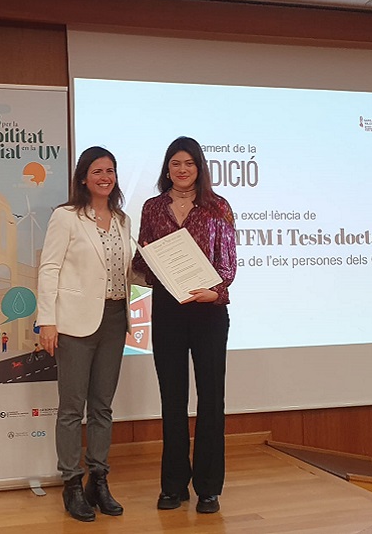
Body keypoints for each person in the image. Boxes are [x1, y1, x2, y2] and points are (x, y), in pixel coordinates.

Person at [132, 136, 237, 515]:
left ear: (200, 167)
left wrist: (217, 291)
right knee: (172, 399)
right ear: (166, 168)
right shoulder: (153, 207)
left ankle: (209, 487)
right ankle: (173, 485)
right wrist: (140, 262)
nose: (181, 170)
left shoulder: (218, 207)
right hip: (168, 311)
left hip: (208, 313)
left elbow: (228, 264)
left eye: (189, 163)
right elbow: (143, 262)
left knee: (211, 400)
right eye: (175, 163)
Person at [38, 146, 133, 522]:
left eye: (110, 170)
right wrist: (47, 320)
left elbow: (128, 270)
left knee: (103, 407)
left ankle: (99, 479)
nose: (105, 177)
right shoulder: (67, 217)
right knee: (71, 408)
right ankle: (72, 483)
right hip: (74, 322)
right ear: (83, 178)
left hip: (114, 319)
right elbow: (48, 268)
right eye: (97, 171)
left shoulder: (123, 220)